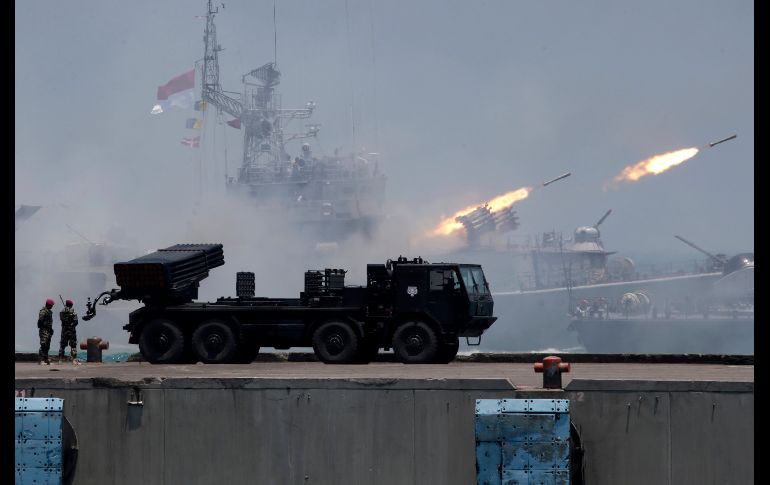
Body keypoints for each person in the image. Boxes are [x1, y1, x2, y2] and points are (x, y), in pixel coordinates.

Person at [58, 299, 80, 364]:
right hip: (71, 330)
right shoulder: (73, 312)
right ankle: (74, 360)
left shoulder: (62, 312)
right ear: (71, 305)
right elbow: (76, 322)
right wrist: (71, 325)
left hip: (64, 330)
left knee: (62, 345)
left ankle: (60, 360)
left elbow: (62, 319)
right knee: (73, 345)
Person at [37, 299, 55, 365]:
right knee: (43, 344)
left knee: (47, 345)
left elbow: (49, 322)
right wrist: (42, 327)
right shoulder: (43, 311)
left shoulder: (49, 311)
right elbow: (40, 320)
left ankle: (45, 359)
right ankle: (40, 360)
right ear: (48, 305)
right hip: (44, 330)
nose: (52, 306)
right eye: (51, 305)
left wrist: (51, 329)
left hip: (48, 330)